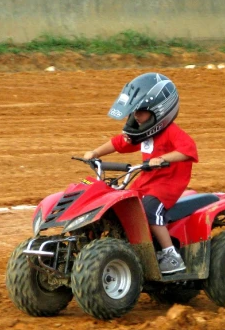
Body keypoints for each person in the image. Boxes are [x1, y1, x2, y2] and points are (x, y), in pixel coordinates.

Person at [83, 72, 198, 275]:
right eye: (135, 111)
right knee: (121, 204)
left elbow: (187, 150)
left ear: (159, 110)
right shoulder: (144, 131)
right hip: (146, 181)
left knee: (150, 211)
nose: (136, 116)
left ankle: (171, 255)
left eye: (142, 111)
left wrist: (163, 159)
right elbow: (120, 142)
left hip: (166, 186)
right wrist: (95, 153)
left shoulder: (171, 132)